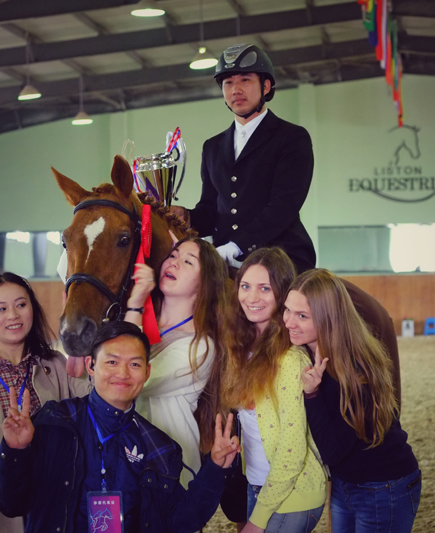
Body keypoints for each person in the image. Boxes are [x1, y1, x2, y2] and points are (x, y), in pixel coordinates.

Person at [0, 321, 240, 533]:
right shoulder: (56, 423)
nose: (122, 373)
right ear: (91, 366)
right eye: (112, 362)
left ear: (147, 372)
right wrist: (15, 451)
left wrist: (215, 468)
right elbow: (12, 504)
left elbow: (178, 522)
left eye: (134, 364)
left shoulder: (160, 448)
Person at [0, 272, 91, 533]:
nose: (13, 315)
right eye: (1, 309)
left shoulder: (57, 365)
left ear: (33, 309)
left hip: (53, 504)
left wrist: (80, 332)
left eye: (21, 304)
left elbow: (97, 399)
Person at [287, 269, 421, 533]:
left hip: (382, 486)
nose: (289, 322)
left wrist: (311, 394)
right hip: (346, 482)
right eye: (287, 310)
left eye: (302, 316)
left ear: (328, 319)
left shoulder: (352, 370)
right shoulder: (310, 354)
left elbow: (332, 452)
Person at [171, 43, 316, 272]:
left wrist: (237, 245)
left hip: (281, 257)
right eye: (228, 83)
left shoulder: (292, 137)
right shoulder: (212, 147)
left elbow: (284, 206)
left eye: (245, 80)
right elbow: (210, 209)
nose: (235, 90)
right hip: (223, 259)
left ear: (265, 86)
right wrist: (188, 217)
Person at [222, 248, 327, 532]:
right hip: (257, 484)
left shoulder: (290, 360)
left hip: (293, 494)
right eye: (245, 286)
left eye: (264, 288)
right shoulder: (242, 349)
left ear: (282, 295)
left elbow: (292, 451)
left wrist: (258, 519)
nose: (252, 297)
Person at [124, 235, 228, 488]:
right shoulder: (140, 324)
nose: (173, 263)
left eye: (188, 261)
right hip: (126, 460)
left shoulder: (200, 347)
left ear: (204, 284)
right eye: (172, 255)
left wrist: (135, 305)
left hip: (170, 471)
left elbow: (129, 380)